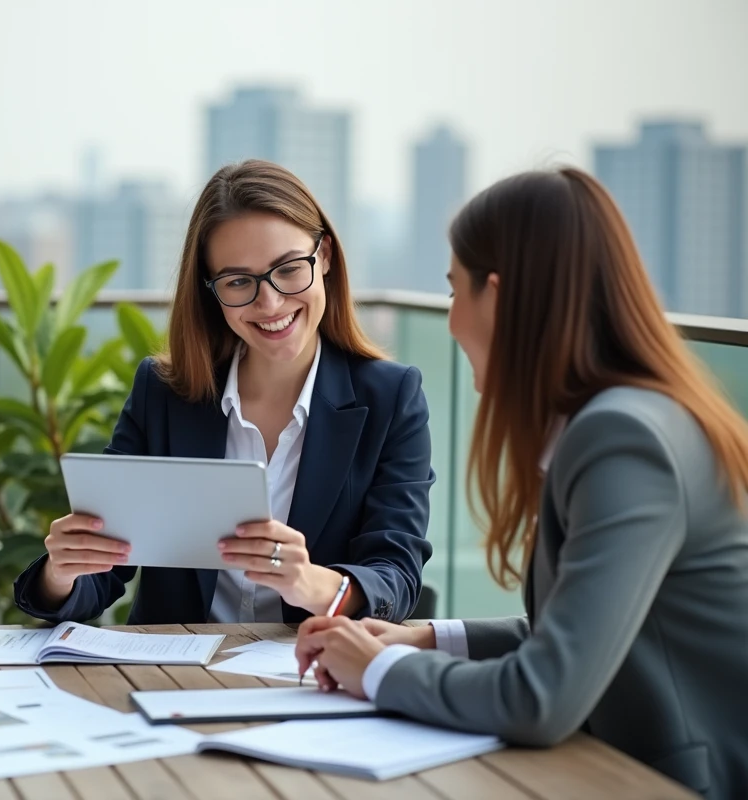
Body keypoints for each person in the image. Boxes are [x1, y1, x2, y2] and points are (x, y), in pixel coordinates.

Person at [294, 167, 748, 799]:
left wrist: (379, 669)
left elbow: (543, 696)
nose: (450, 322)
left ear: (498, 297)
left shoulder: (625, 441)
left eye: (455, 293)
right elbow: (573, 633)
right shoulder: (619, 420)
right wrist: (424, 638)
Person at [12, 159, 435, 626]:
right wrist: (61, 574)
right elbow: (107, 571)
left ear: (326, 257)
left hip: (310, 673)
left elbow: (395, 576)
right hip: (172, 678)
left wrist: (312, 583)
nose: (269, 302)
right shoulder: (165, 393)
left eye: (289, 269)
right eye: (238, 281)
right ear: (212, 291)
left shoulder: (392, 398)